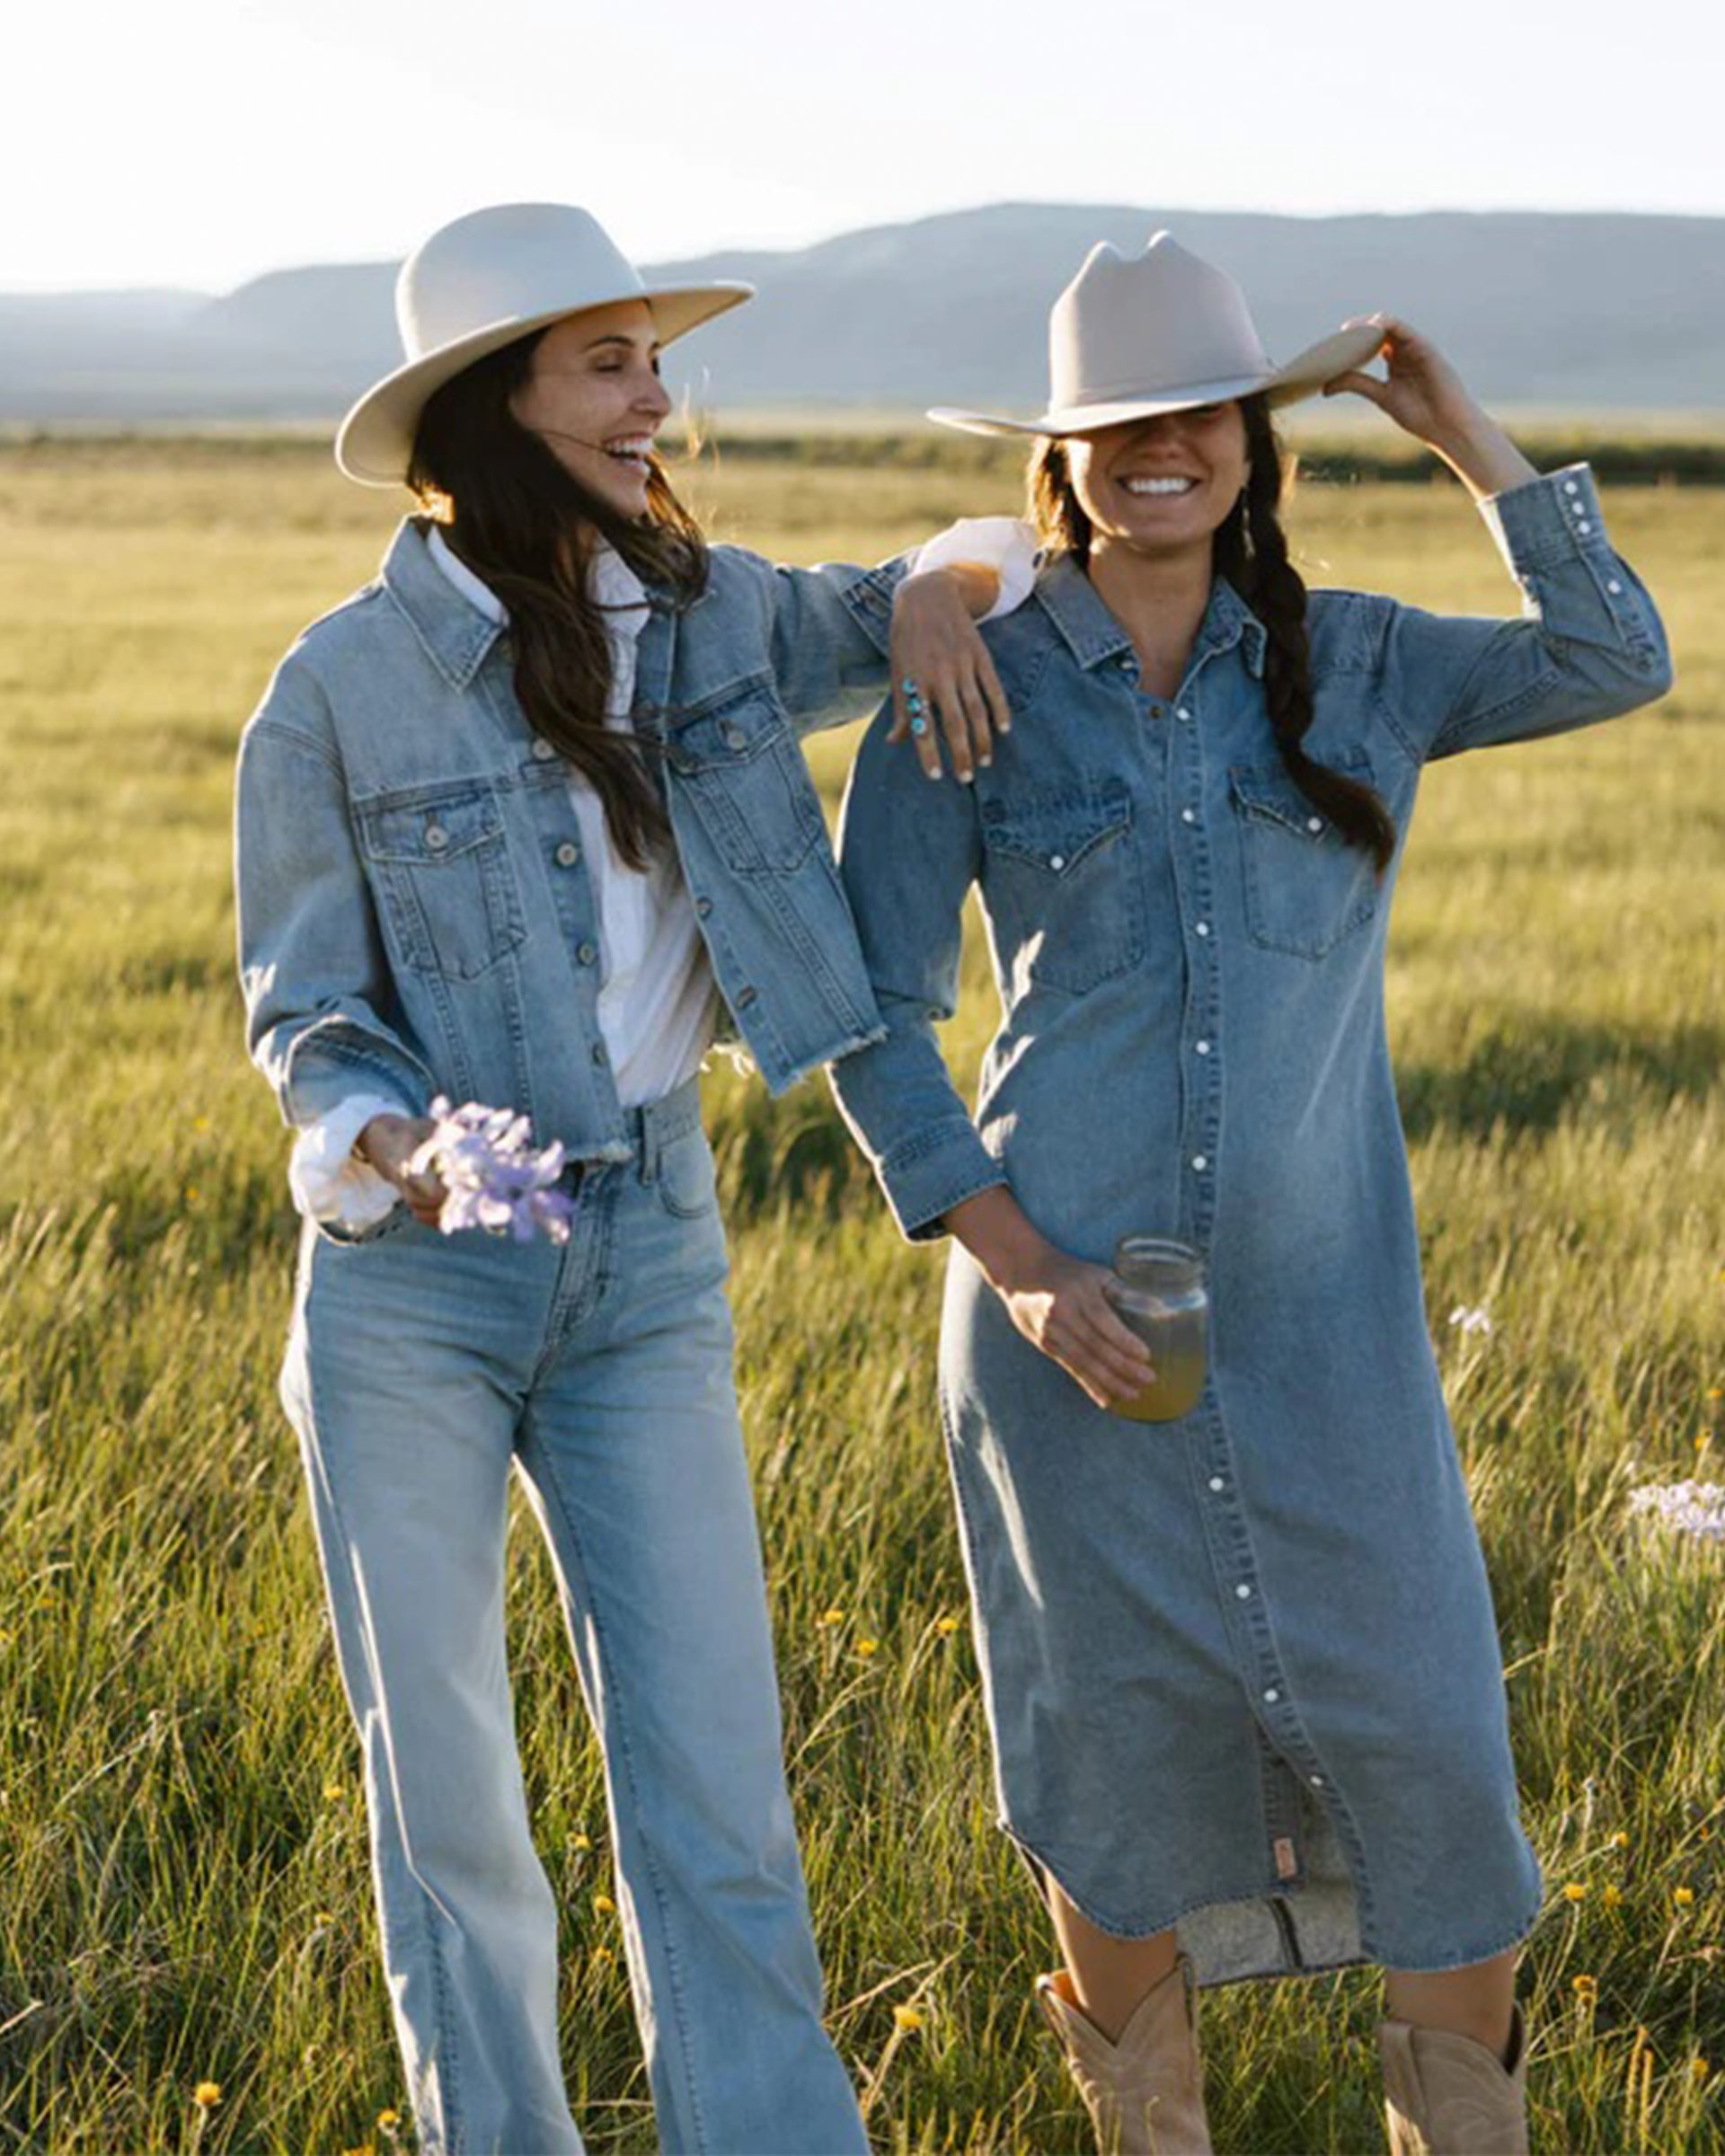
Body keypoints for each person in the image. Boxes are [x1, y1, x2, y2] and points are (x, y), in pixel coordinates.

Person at [828, 233, 1673, 2155]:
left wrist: (1468, 437)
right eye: (1117, 423)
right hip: (1068, 1338)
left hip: (1329, 1335)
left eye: (1199, 412)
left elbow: (1619, 653)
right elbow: (871, 1014)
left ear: (1249, 438)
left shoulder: (1361, 658)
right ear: (1062, 454)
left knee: (1441, 1755)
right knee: (1113, 1765)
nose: (1160, 450)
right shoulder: (961, 671)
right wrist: (1020, 1264)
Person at [234, 200, 1022, 2156]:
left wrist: (939, 583)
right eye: (607, 362)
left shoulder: (722, 610)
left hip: (651, 1248)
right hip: (418, 1284)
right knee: (458, 1820)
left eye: (655, 360)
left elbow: (994, 549)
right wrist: (387, 1146)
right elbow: (310, 1016)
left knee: (717, 1791)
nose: (657, 397)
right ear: (491, 409)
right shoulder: (338, 689)